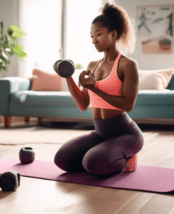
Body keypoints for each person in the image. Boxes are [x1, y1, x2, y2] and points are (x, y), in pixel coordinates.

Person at [54, 3, 143, 176]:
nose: (94, 40)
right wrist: (68, 77)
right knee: (62, 159)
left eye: (99, 34)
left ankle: (126, 157)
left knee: (92, 163)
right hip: (100, 133)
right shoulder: (93, 66)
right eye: (92, 36)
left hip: (126, 134)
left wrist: (95, 89)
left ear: (113, 34)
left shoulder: (127, 65)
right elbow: (83, 104)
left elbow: (128, 105)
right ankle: (103, 155)